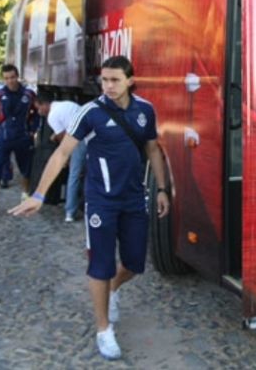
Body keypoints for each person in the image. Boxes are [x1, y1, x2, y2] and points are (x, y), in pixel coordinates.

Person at [9, 56, 169, 360]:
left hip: (134, 199)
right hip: (101, 201)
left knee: (134, 264)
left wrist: (162, 189)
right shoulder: (90, 112)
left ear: (130, 81)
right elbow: (62, 153)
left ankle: (112, 290)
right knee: (101, 265)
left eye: (115, 80)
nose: (108, 86)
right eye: (104, 80)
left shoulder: (145, 110)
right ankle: (103, 328)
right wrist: (39, 195)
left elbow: (152, 150)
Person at [0, 64, 39, 217]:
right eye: (7, 78)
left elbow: (37, 112)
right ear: (3, 79)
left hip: (23, 137)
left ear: (17, 77)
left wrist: (33, 130)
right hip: (3, 137)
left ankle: (25, 196)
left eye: (13, 77)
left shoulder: (29, 93)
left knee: (26, 168)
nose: (10, 81)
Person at [33, 92, 86, 222]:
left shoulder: (52, 116)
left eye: (39, 108)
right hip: (91, 135)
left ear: (44, 104)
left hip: (80, 140)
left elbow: (64, 141)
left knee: (73, 175)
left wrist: (65, 159)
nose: (39, 112)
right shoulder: (66, 105)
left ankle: (70, 212)